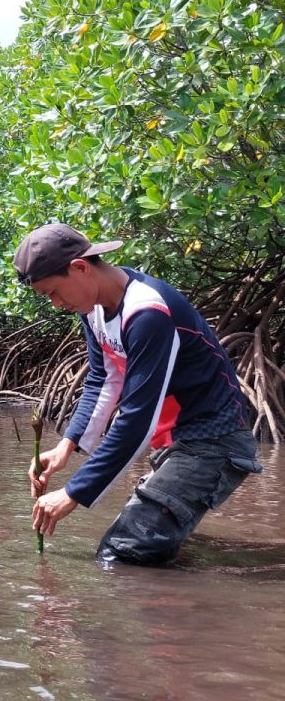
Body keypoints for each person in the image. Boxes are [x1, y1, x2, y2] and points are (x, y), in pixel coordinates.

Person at [15, 223, 262, 565]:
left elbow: (136, 418)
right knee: (152, 543)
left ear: (81, 268)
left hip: (214, 440)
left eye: (53, 292)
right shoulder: (94, 310)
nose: (56, 304)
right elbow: (103, 380)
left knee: (122, 552)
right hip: (176, 442)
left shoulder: (146, 312)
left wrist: (73, 493)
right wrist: (66, 447)